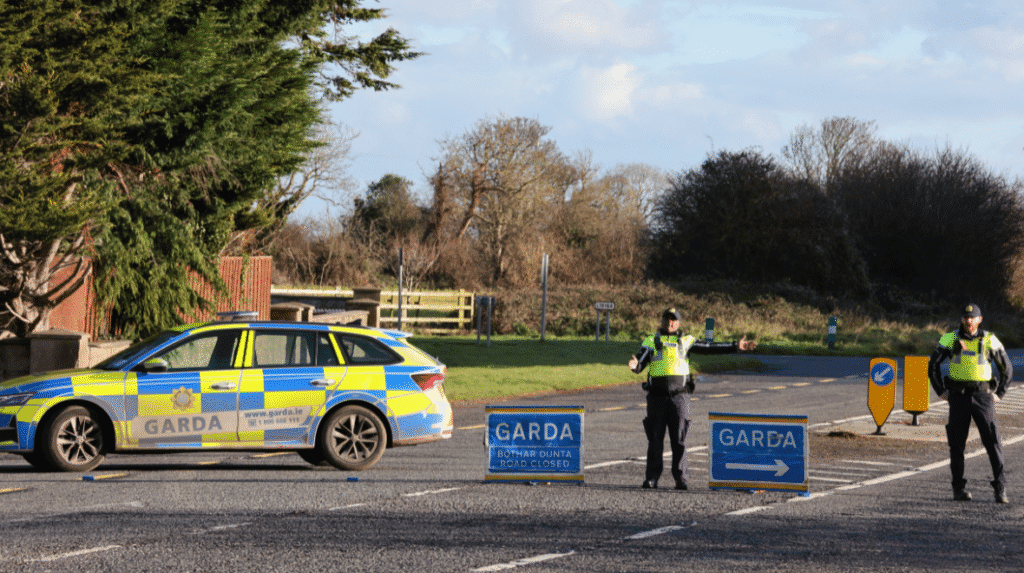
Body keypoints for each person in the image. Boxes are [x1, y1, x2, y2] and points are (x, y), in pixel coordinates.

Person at [627, 308, 757, 490]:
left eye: (674, 320)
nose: (670, 323)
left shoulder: (686, 340)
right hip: (657, 398)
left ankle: (681, 478)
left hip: (680, 397)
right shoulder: (651, 340)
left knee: (679, 439)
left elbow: (709, 348)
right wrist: (635, 365)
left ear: (679, 323)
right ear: (662, 321)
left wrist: (735, 346)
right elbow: (640, 361)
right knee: (655, 439)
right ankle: (652, 478)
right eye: (667, 319)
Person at [928, 303, 1013, 504]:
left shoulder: (990, 339)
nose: (969, 321)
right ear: (962, 319)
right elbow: (932, 366)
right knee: (956, 445)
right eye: (966, 317)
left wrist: (1000, 393)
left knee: (993, 442)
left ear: (979, 319)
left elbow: (1007, 368)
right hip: (958, 397)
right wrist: (940, 391)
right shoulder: (949, 338)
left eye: (972, 317)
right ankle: (959, 489)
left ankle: (1000, 489)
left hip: (983, 397)